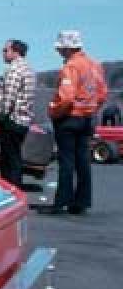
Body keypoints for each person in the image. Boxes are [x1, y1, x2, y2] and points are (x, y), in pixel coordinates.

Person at [41, 30, 107, 215]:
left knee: (67, 161)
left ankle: (62, 201)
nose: (59, 52)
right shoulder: (95, 65)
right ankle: (82, 201)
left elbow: (67, 97)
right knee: (83, 160)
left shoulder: (71, 66)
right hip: (87, 118)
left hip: (69, 118)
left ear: (67, 48)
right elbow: (102, 93)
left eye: (60, 48)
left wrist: (54, 111)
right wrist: (91, 108)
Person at [0, 39, 35, 187]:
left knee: (8, 160)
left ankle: (10, 189)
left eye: (6, 50)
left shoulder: (14, 69)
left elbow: (8, 98)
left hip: (11, 120)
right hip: (24, 120)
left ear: (15, 52)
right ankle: (15, 187)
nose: (3, 53)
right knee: (15, 157)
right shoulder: (28, 69)